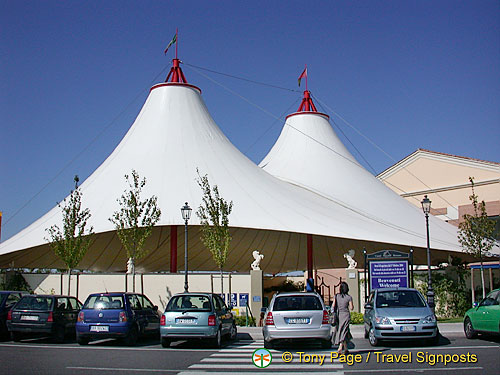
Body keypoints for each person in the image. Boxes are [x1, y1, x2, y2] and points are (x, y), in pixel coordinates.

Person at [332, 281, 354, 354]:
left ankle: (346, 348)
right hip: (346, 315)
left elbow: (333, 306)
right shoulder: (349, 297)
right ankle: (340, 347)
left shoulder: (336, 296)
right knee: (344, 330)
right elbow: (351, 308)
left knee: (342, 330)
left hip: (339, 315)